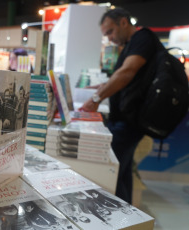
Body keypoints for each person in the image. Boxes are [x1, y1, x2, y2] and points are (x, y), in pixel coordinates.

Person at [79, 8, 159, 204]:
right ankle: (127, 215)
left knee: (111, 172)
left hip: (129, 121)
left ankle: (120, 217)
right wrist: (102, 87)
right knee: (121, 171)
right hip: (125, 120)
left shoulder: (143, 38)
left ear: (124, 22)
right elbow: (126, 78)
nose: (110, 38)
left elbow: (127, 73)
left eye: (110, 32)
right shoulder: (132, 44)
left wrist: (96, 99)